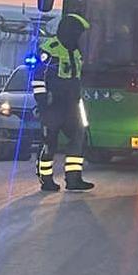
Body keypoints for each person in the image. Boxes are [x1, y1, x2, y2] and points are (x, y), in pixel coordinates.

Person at [31, 13, 94, 191]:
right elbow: (38, 77)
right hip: (53, 105)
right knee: (49, 143)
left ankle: (73, 179)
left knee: (78, 138)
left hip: (72, 104)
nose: (80, 36)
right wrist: (43, 101)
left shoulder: (75, 51)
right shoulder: (49, 49)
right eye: (78, 32)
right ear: (69, 31)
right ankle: (46, 179)